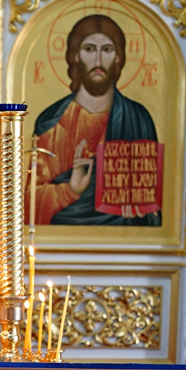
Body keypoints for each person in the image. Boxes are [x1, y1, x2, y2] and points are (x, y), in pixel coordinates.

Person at [27, 15, 160, 226]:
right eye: (89, 49)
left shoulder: (139, 119)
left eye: (107, 50)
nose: (98, 61)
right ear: (76, 56)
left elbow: (153, 204)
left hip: (127, 242)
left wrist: (142, 206)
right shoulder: (51, 122)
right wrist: (70, 189)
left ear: (118, 57)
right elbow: (30, 201)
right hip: (58, 240)